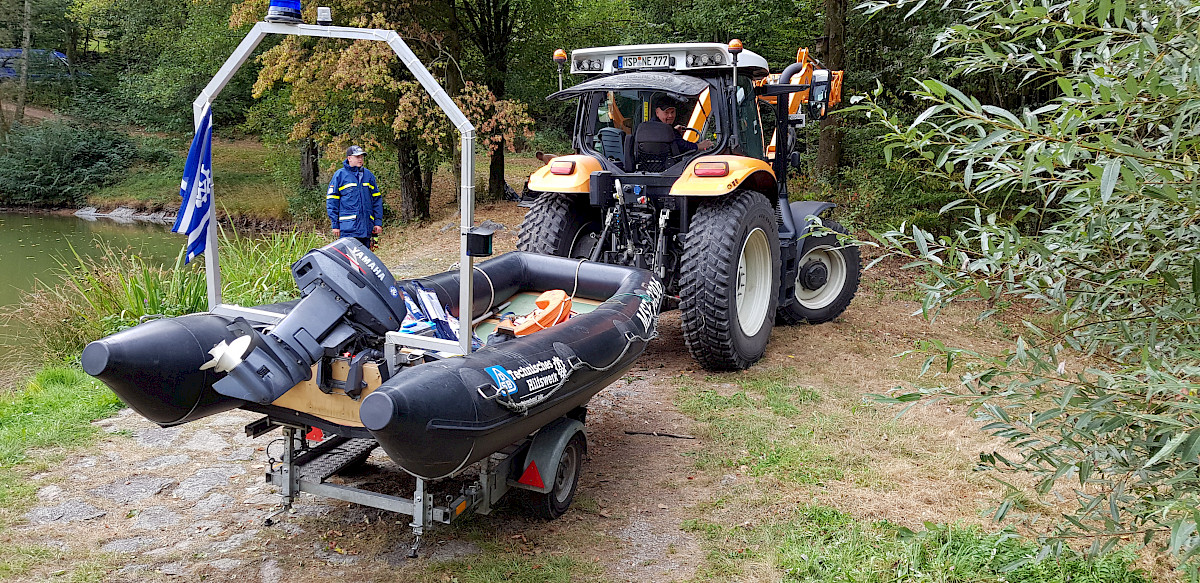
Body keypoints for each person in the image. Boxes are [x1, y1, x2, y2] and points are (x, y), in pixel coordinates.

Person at [327, 145, 382, 249]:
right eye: (357, 157)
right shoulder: (340, 175)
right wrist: (335, 225)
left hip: (366, 227)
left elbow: (376, 200)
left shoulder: (368, 175)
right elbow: (332, 202)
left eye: (361, 157)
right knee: (349, 261)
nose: (360, 159)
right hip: (348, 229)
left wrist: (378, 222)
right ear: (349, 158)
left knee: (364, 261)